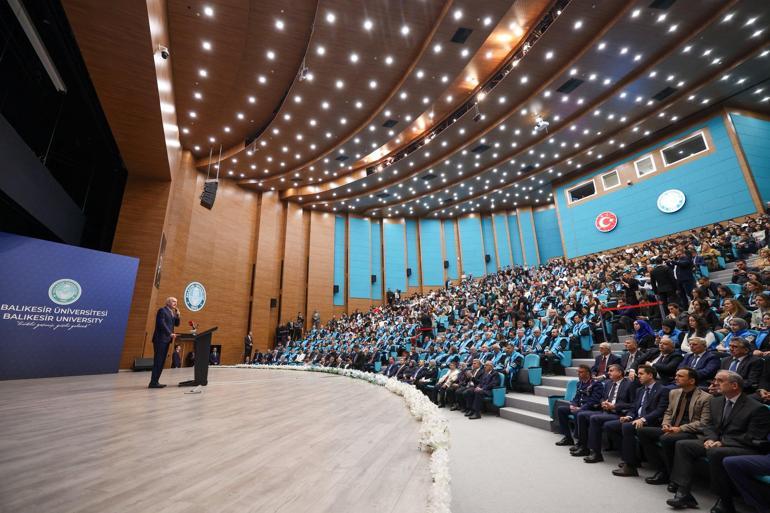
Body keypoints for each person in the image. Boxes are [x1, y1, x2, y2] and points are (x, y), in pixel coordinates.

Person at [667, 370, 770, 513]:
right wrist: (711, 438)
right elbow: (708, 425)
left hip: (743, 447)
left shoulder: (757, 408)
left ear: (734, 385)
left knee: (716, 453)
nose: (714, 383)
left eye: (720, 381)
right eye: (715, 380)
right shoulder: (715, 401)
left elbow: (753, 436)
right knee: (683, 445)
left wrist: (723, 442)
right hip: (717, 442)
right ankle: (683, 493)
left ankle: (725, 501)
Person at [637, 367, 712, 488]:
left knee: (667, 439)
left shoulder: (706, 397)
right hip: (672, 427)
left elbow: (703, 423)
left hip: (691, 431)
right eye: (676, 375)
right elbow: (668, 412)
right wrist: (665, 424)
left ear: (692, 381)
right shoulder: (674, 393)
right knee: (643, 431)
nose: (676, 378)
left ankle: (673, 477)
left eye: (680, 376)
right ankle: (662, 469)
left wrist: (680, 429)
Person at [605, 365, 670, 475]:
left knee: (627, 427)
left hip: (652, 422)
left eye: (641, 374)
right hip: (636, 420)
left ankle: (630, 466)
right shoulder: (640, 390)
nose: (637, 376)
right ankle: (632, 457)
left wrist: (643, 419)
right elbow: (634, 408)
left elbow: (660, 411)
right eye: (638, 374)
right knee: (610, 425)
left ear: (650, 375)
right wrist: (628, 417)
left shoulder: (662, 389)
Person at [573, 364, 635, 461]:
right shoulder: (608, 383)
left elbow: (633, 404)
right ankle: (583, 447)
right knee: (581, 415)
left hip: (619, 413)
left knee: (594, 418)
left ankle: (596, 453)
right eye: (608, 371)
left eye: (611, 371)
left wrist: (615, 406)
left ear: (619, 372)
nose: (608, 373)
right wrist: (603, 403)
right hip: (606, 411)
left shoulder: (629, 384)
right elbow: (602, 397)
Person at [554, 365, 603, 448]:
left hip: (590, 409)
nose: (578, 374)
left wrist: (580, 408)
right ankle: (568, 438)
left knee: (578, 413)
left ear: (588, 373)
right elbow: (576, 398)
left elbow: (594, 400)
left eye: (581, 372)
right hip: (579, 407)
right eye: (578, 372)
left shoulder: (596, 384)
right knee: (561, 409)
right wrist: (573, 405)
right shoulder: (579, 383)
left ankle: (580, 441)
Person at [149, 297, 180, 389]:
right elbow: (161, 323)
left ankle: (155, 382)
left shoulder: (172, 313)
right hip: (160, 339)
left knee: (161, 362)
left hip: (166, 340)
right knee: (158, 361)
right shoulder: (162, 310)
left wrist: (178, 315)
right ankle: (153, 382)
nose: (175, 303)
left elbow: (176, 324)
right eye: (173, 301)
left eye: (176, 302)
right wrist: (169, 333)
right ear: (168, 302)